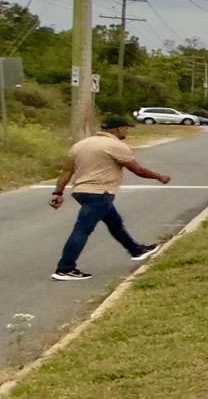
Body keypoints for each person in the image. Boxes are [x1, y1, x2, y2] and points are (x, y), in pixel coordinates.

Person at [50, 115, 171, 281]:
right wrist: (159, 177)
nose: (127, 131)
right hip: (100, 193)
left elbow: (66, 171)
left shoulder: (80, 145)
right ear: (119, 129)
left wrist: (58, 193)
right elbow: (137, 170)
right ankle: (65, 268)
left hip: (81, 191)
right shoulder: (115, 145)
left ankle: (136, 250)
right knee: (82, 229)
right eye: (126, 128)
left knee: (115, 222)